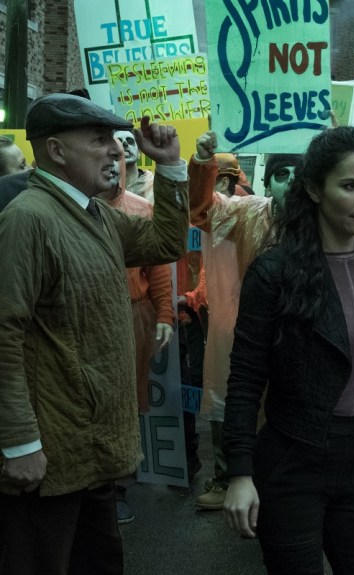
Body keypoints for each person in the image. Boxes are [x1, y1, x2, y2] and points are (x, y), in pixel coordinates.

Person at [0, 94, 188, 575]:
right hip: (51, 455)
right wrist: (20, 444)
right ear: (56, 150)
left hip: (92, 450)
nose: (115, 151)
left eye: (114, 140)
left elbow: (166, 242)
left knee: (98, 562)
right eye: (100, 140)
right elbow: (4, 336)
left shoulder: (95, 214)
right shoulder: (28, 219)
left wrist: (169, 167)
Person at [221, 127, 354, 575]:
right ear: (313, 189)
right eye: (351, 186)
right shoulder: (275, 272)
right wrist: (240, 473)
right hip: (292, 459)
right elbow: (245, 378)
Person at [189, 134, 298, 511]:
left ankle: (281, 487)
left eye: (300, 174)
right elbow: (203, 211)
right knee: (235, 399)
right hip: (248, 331)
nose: (292, 183)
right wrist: (202, 164)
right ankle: (227, 478)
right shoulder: (249, 213)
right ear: (268, 182)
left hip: (301, 337)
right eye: (282, 174)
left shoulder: (328, 219)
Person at [99, 141, 177, 524]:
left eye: (117, 155)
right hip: (89, 316)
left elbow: (157, 267)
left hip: (133, 317)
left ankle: (118, 487)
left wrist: (164, 313)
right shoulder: (70, 208)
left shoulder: (140, 208)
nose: (112, 162)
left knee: (129, 401)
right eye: (106, 154)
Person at [115, 129, 155, 201]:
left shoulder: (155, 187)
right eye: (118, 142)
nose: (125, 144)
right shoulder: (103, 190)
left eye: (130, 141)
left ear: (139, 152)